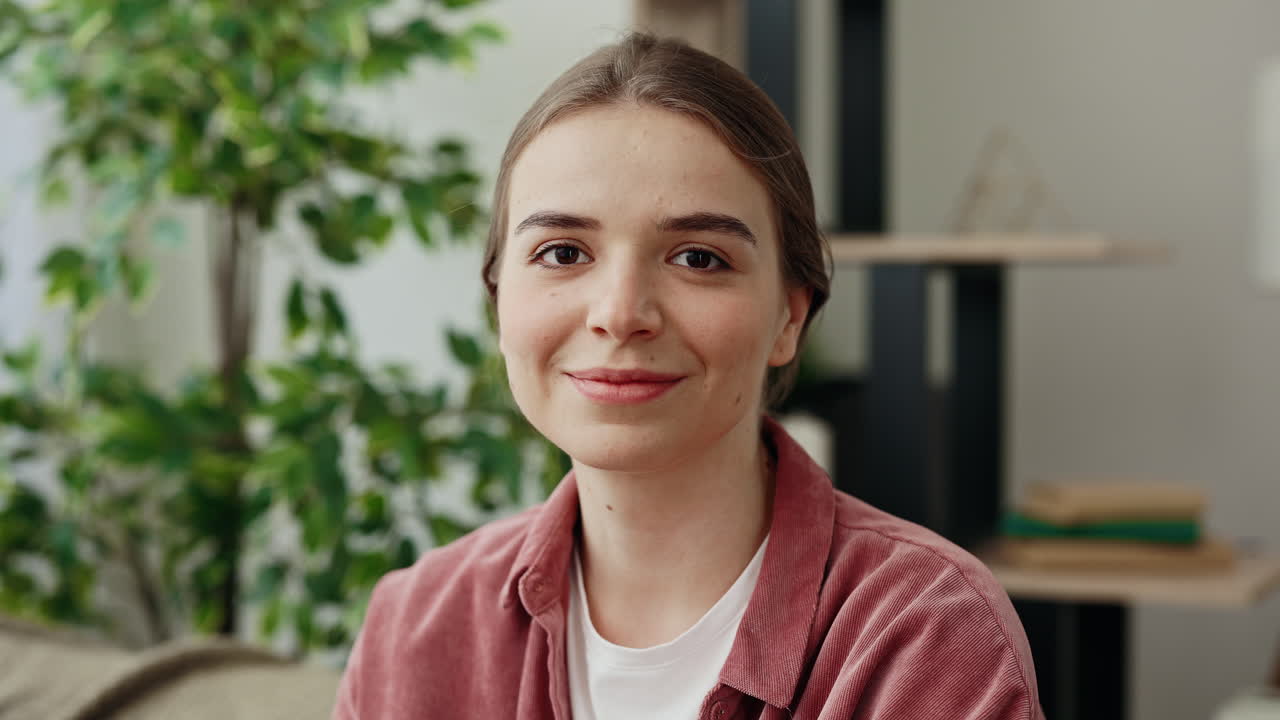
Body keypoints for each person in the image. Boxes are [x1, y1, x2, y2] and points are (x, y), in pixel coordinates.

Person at [334, 32, 1043, 720]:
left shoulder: (922, 636)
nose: (620, 314)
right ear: (499, 300)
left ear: (789, 318)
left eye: (698, 258)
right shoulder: (415, 627)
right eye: (561, 252)